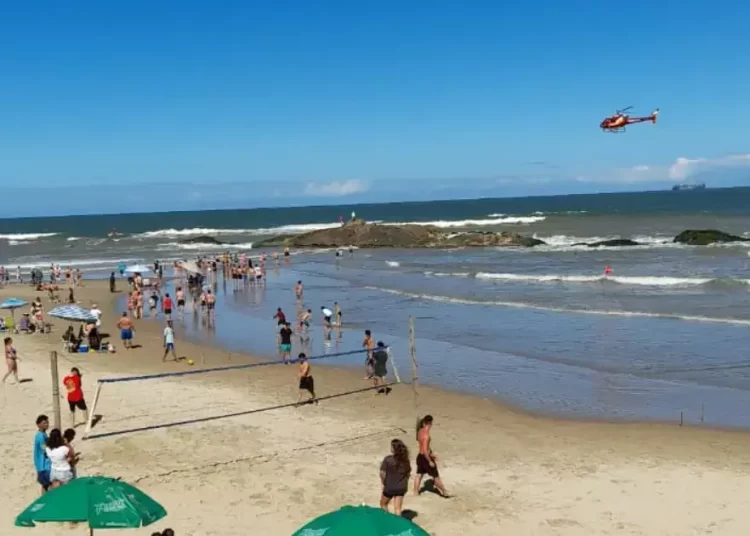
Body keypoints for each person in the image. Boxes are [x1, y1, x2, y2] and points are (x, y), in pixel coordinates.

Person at [413, 415, 449, 497]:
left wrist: (431, 453)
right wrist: (430, 460)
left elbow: (422, 446)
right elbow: (425, 450)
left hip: (420, 456)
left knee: (419, 474)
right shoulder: (426, 435)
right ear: (430, 423)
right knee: (435, 477)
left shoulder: (420, 431)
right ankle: (444, 492)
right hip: (425, 458)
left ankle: (415, 492)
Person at [380, 439, 411, 516]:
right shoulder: (405, 460)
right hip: (401, 487)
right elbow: (408, 474)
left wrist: (384, 482)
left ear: (394, 449)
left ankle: (387, 521)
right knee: (397, 508)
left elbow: (382, 473)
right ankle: (399, 524)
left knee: (383, 504)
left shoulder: (388, 459)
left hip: (390, 486)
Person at [34, 415, 52, 493]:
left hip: (42, 464)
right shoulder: (41, 436)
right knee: (48, 484)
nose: (47, 425)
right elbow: (44, 448)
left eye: (47, 423)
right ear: (38, 424)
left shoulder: (43, 434)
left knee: (45, 485)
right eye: (44, 423)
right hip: (43, 465)